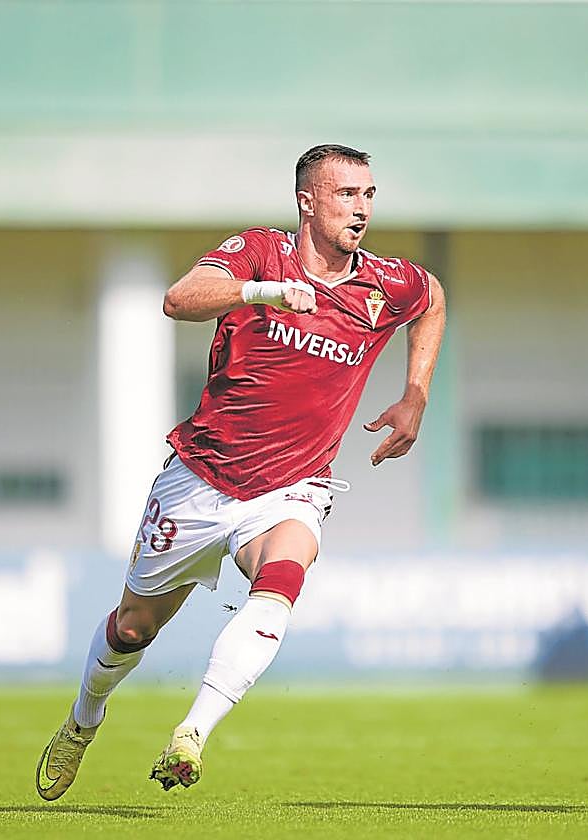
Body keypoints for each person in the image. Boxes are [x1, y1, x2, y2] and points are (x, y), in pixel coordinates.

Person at [36, 144, 446, 798]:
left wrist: (415, 395)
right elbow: (179, 298)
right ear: (307, 202)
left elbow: (431, 300)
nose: (361, 209)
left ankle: (191, 734)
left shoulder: (384, 282)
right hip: (199, 479)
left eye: (369, 194)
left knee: (283, 577)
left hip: (294, 486)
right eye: (346, 195)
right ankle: (83, 721)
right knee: (134, 628)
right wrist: (264, 293)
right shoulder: (259, 252)